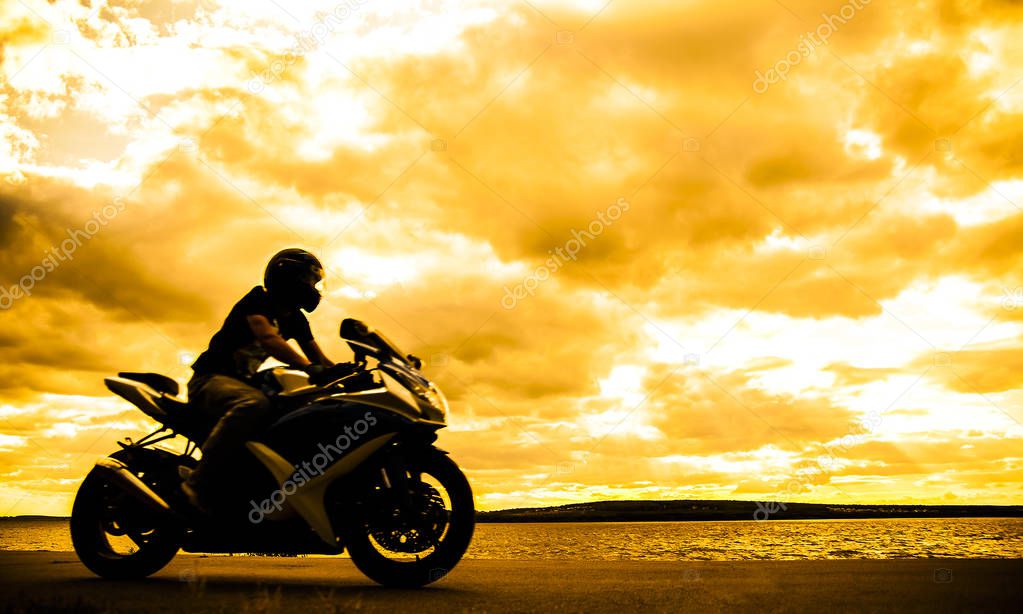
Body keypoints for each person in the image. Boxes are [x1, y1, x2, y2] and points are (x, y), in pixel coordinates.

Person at [182, 248, 333, 510]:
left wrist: (350, 374)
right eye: (310, 280)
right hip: (209, 380)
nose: (314, 288)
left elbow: (320, 359)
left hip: (241, 383)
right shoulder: (257, 301)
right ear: (289, 278)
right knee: (254, 405)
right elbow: (268, 338)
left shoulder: (296, 319)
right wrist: (309, 367)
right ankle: (197, 482)